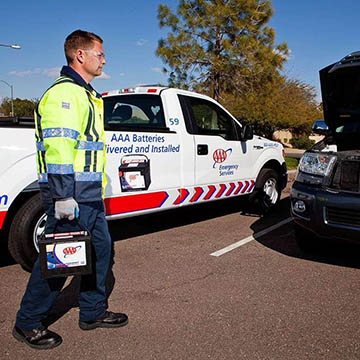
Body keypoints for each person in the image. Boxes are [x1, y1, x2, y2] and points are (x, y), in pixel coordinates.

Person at [12, 30, 128, 350]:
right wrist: (63, 196)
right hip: (70, 195)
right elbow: (60, 150)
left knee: (99, 252)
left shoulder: (87, 94)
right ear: (80, 56)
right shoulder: (65, 95)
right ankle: (28, 323)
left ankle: (92, 312)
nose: (103, 59)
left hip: (88, 193)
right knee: (63, 260)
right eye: (99, 54)